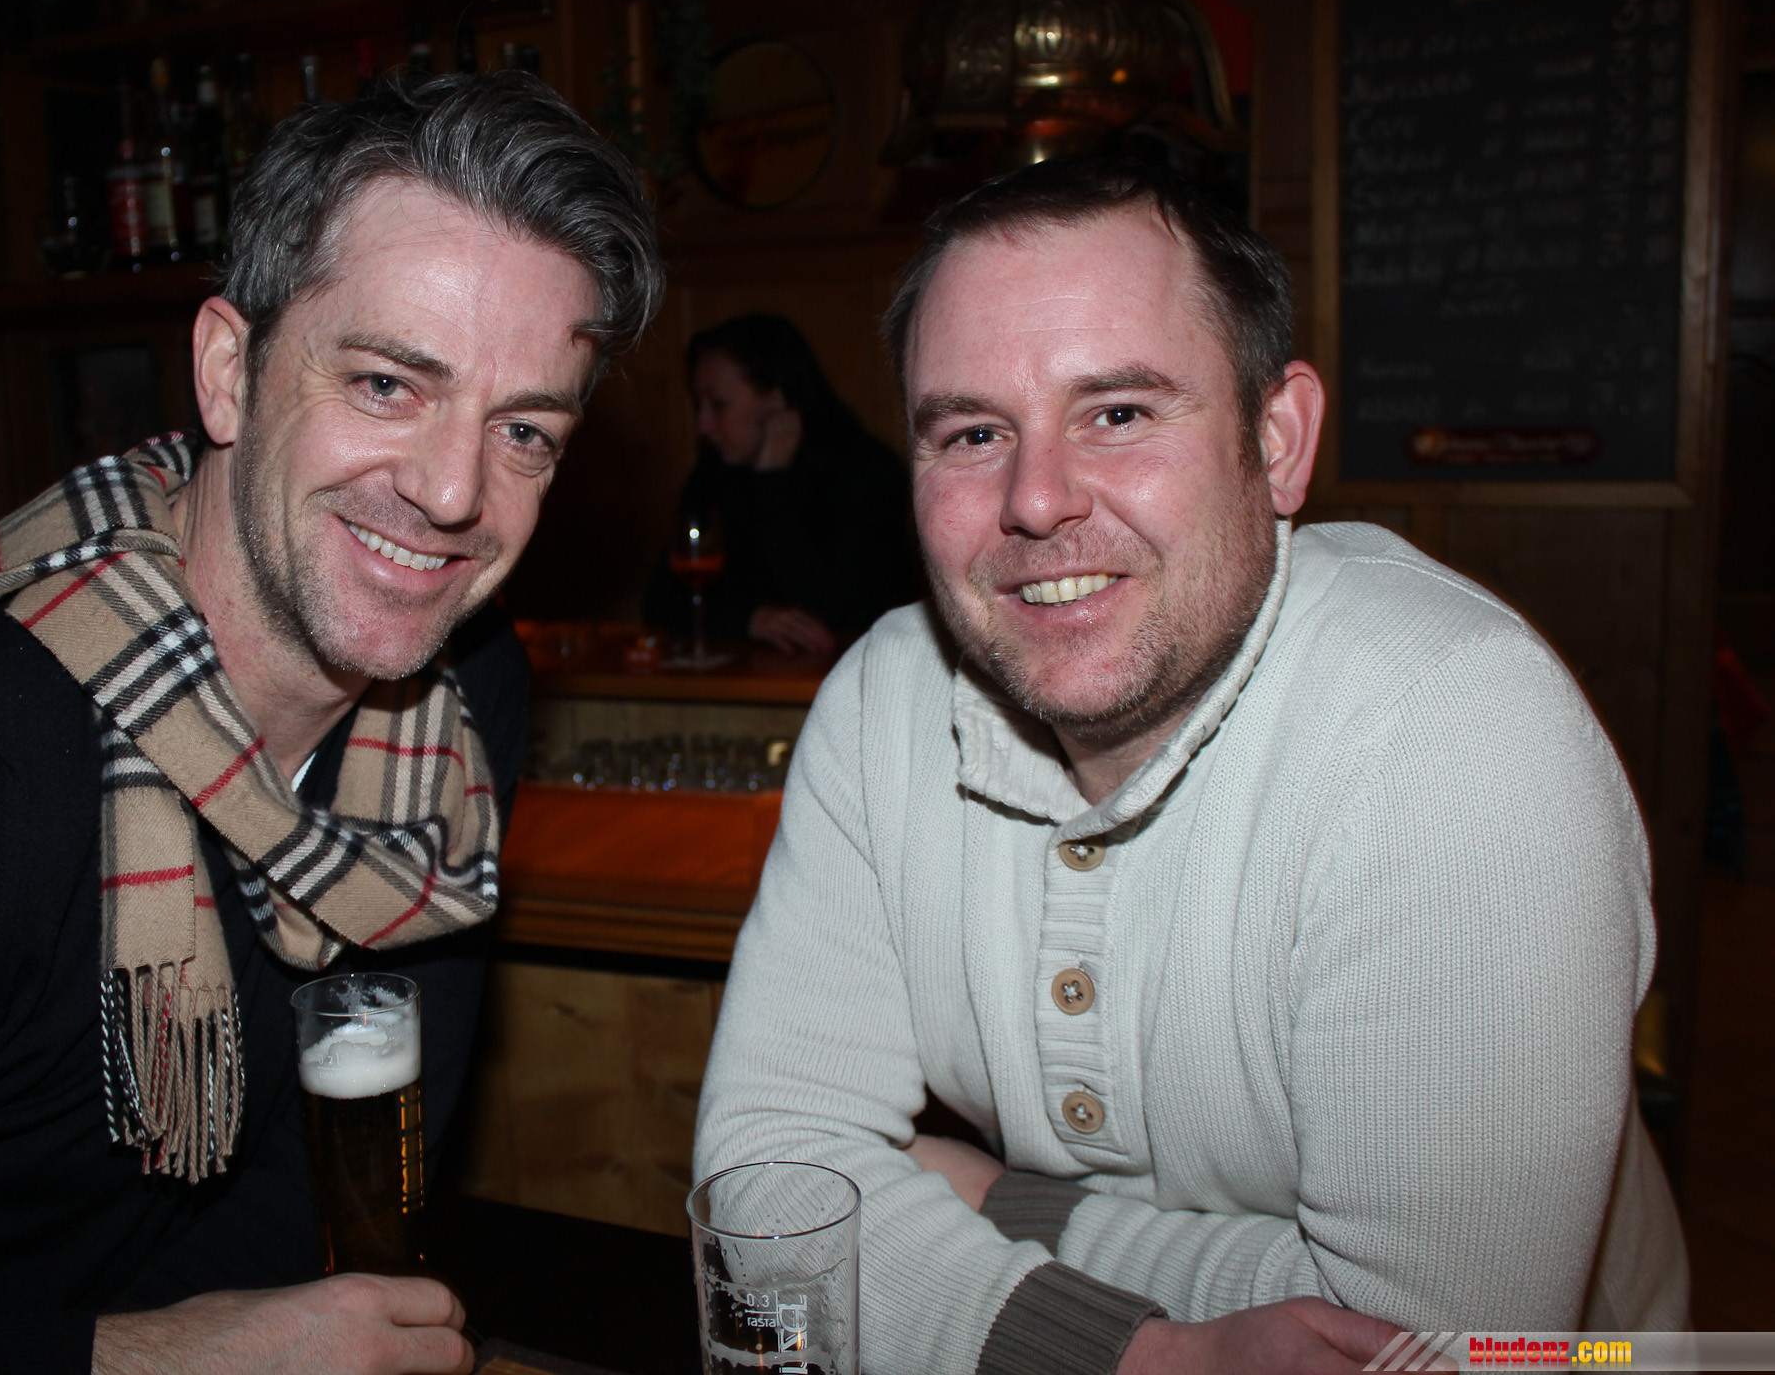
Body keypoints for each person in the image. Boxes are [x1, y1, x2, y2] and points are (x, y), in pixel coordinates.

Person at [0, 72, 661, 1375]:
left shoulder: (465, 689)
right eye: (386, 383)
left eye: (523, 429)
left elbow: (319, 1196)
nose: (450, 492)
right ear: (228, 372)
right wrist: (139, 1359)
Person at [693, 156, 1690, 1375]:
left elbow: (1423, 1350)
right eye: (973, 432)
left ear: (1278, 440)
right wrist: (1146, 1354)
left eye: (1118, 412)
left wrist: (1002, 1204)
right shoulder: (882, 699)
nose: (1037, 500)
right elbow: (769, 1181)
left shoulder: (1455, 732)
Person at [642, 313, 915, 656]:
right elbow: (659, 604)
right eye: (699, 406)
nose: (703, 425)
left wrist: (772, 481)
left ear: (776, 398)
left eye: (718, 404)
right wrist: (749, 620)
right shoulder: (713, 473)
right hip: (748, 681)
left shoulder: (866, 470)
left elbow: (828, 612)